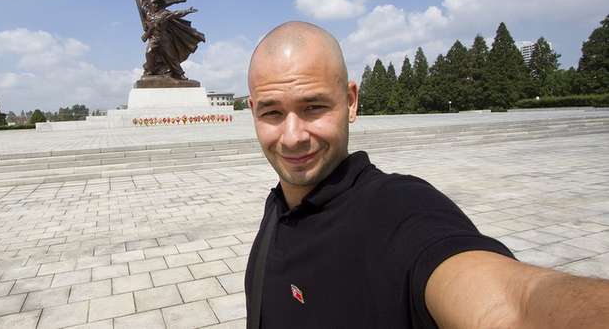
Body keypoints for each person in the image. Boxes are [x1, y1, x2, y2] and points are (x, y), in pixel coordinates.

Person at [243, 21, 609, 328]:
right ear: (253, 110)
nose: (292, 137)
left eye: (313, 107)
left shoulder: (398, 211)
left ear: (351, 101)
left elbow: (514, 307)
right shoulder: (278, 206)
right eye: (272, 112)